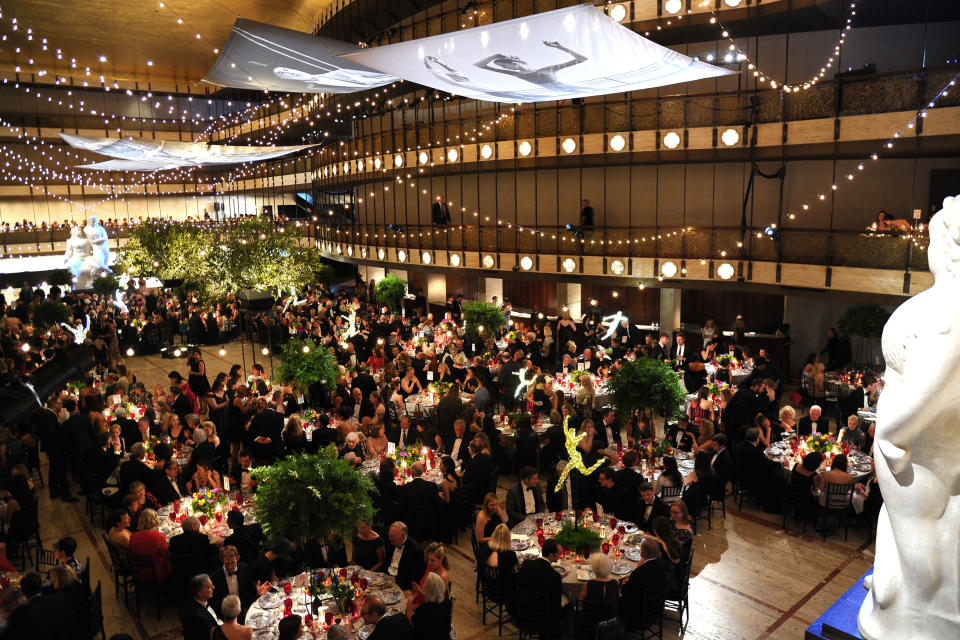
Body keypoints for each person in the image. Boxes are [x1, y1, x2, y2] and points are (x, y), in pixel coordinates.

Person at [619, 538, 667, 626]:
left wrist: (624, 583)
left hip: (640, 613)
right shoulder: (662, 564)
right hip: (656, 607)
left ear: (642, 553)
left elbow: (625, 591)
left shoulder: (640, 572)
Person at [128, 509, 171, 582]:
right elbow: (166, 558)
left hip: (138, 571)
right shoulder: (159, 536)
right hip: (156, 573)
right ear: (155, 520)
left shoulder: (132, 536)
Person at [408, 572, 453, 640]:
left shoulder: (424, 609)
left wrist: (409, 605)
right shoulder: (447, 602)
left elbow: (411, 621)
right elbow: (433, 598)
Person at [577, 553, 619, 622]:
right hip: (610, 618)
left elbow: (580, 603)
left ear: (594, 568)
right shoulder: (615, 582)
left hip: (591, 619)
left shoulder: (588, 584)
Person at [385, 521, 426, 590]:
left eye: (392, 536)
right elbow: (385, 561)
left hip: (402, 584)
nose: (389, 538)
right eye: (389, 535)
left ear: (403, 536)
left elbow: (415, 575)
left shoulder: (416, 550)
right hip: (387, 577)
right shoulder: (391, 542)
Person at [181, 574, 221, 640]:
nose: (214, 587)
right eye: (209, 587)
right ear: (200, 593)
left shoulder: (200, 599)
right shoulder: (197, 616)